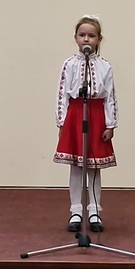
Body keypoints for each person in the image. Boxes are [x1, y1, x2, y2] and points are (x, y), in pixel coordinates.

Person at [54, 15, 118, 233]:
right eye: (82, 35)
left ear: (99, 39)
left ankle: (94, 211)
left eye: (91, 35)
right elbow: (62, 93)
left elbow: (110, 96)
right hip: (75, 114)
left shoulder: (105, 66)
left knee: (94, 167)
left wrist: (110, 124)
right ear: (75, 38)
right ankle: (76, 210)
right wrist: (61, 121)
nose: (86, 39)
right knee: (76, 166)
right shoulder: (69, 64)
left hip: (97, 115)